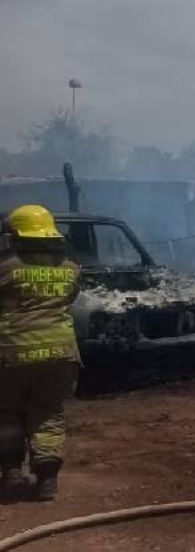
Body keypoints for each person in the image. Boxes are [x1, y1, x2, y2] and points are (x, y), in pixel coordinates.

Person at [0, 205, 81, 502]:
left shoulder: (5, 268)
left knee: (7, 414)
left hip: (12, 354)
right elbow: (70, 297)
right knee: (48, 413)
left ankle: (10, 474)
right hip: (60, 354)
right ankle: (47, 480)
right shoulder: (71, 268)